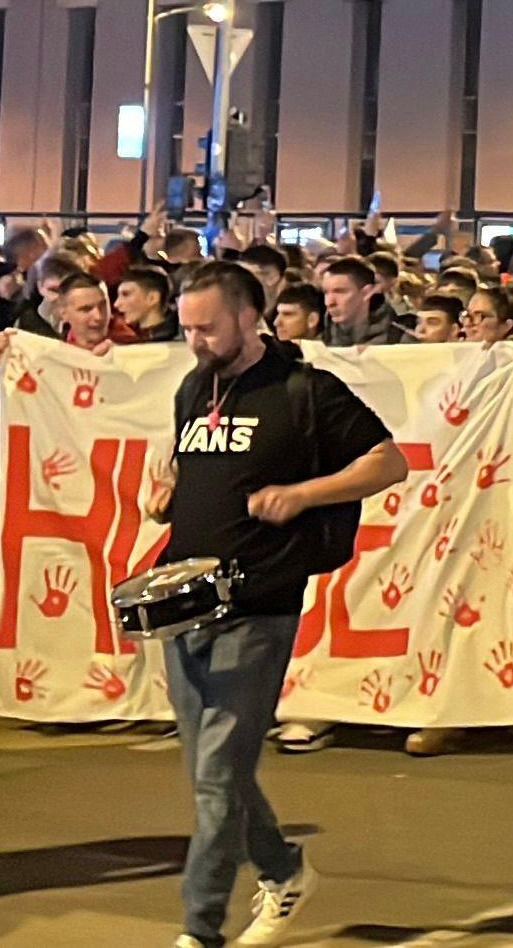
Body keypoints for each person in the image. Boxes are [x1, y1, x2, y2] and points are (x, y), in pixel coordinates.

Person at [142, 260, 406, 948]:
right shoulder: (195, 388)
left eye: (207, 327)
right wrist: (167, 493)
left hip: (259, 602)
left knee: (216, 779)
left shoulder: (306, 391)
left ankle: (199, 929)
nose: (195, 340)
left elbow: (389, 462)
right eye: (186, 327)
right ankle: (284, 869)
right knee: (214, 774)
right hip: (184, 601)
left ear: (248, 316)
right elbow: (196, 468)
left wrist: (303, 495)